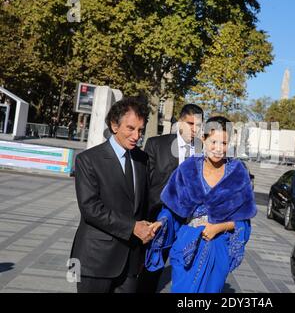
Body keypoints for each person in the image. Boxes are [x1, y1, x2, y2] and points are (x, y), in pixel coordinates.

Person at [144, 116, 257, 292]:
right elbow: (171, 211)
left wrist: (218, 228)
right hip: (186, 248)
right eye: (214, 142)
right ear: (203, 139)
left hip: (218, 249)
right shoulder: (187, 169)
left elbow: (244, 223)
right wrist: (162, 222)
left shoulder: (238, 173)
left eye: (224, 143)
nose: (219, 148)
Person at [69, 98, 154, 293]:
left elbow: (144, 204)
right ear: (114, 125)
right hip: (95, 260)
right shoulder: (88, 160)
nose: (136, 136)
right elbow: (90, 208)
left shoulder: (142, 159)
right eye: (131, 128)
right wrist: (133, 227)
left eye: (140, 130)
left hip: (131, 261)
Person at [138, 104, 204, 293]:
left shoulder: (202, 150)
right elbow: (145, 184)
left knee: (185, 270)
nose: (195, 129)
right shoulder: (156, 144)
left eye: (199, 125)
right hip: (158, 217)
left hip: (188, 223)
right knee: (151, 269)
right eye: (190, 123)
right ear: (179, 122)